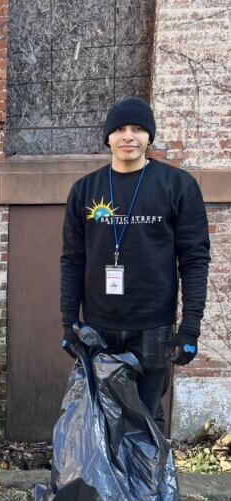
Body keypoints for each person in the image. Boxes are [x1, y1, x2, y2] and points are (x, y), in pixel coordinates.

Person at [60, 97, 210, 432]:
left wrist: (190, 327)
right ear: (107, 138)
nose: (129, 136)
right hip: (98, 326)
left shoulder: (177, 185)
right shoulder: (85, 190)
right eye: (120, 129)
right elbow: (72, 258)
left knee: (146, 416)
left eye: (138, 128)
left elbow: (194, 258)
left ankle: (148, 484)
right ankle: (106, 486)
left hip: (153, 326)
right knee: (101, 416)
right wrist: (69, 321)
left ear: (149, 137)